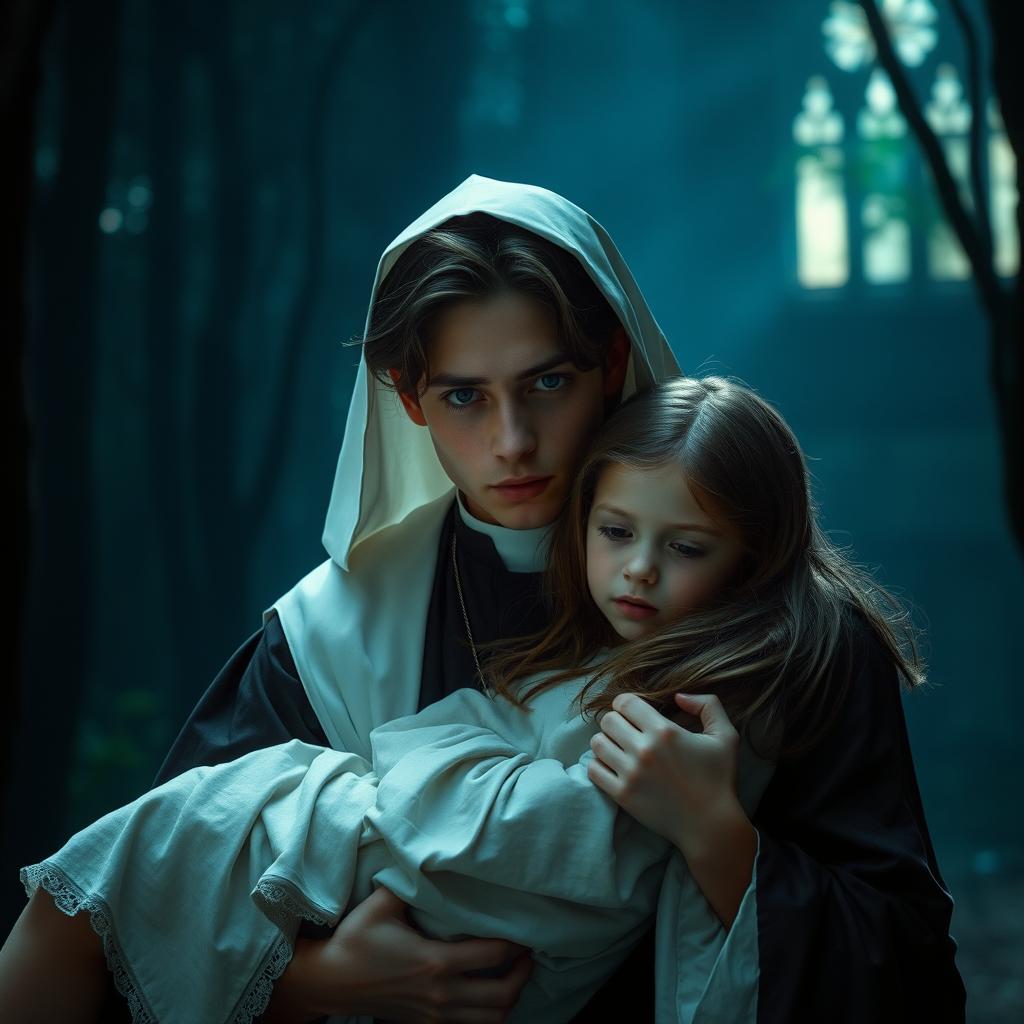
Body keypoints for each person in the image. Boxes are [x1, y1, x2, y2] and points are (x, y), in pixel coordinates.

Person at [1, 377, 958, 1024]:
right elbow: (168, 922)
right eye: (466, 396)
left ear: (608, 365)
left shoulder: (800, 649)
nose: (513, 439)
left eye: (546, 383)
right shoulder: (329, 626)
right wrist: (325, 983)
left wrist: (717, 835)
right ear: (410, 398)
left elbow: (908, 969)